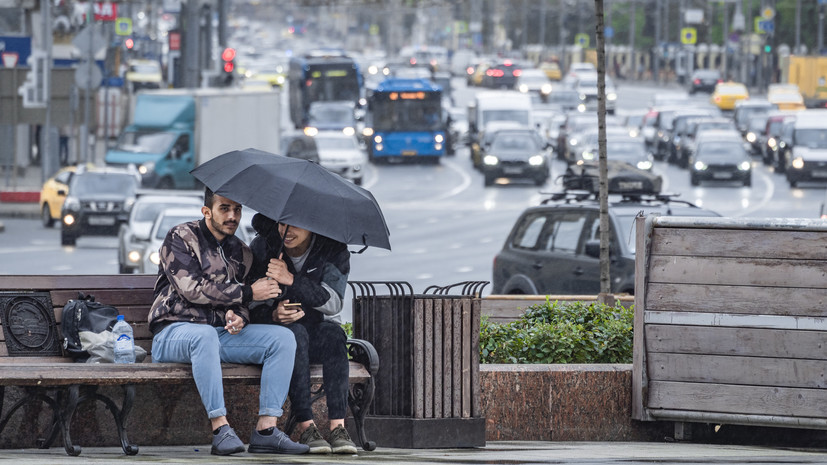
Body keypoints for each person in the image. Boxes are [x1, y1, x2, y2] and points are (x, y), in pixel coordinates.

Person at [147, 188, 310, 457]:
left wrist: (239, 316)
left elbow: (242, 304)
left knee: (282, 339)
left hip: (218, 336)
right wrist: (247, 293)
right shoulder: (181, 236)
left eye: (237, 209)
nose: (232, 215)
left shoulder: (242, 253)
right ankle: (220, 428)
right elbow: (191, 288)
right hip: (173, 332)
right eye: (224, 208)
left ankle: (266, 430)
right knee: (204, 336)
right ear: (207, 211)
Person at [247, 213, 358, 455]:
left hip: (318, 327)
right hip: (282, 334)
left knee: (334, 335)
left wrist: (291, 279)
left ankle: (338, 427)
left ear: (312, 224)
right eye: (282, 222)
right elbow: (250, 303)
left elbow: (333, 303)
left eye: (295, 224)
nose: (286, 230)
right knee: (294, 335)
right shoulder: (264, 246)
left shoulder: (333, 248)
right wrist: (273, 315)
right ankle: (307, 425)